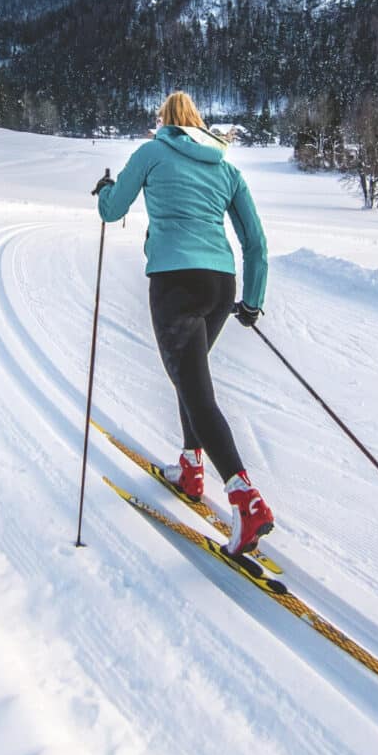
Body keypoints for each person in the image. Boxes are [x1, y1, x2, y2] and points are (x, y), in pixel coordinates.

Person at [93, 91, 273, 555]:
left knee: (195, 389)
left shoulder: (152, 151)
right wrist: (251, 301)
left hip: (175, 284)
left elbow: (113, 210)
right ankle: (191, 466)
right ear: (199, 124)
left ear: (165, 122)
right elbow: (255, 242)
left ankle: (245, 498)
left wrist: (105, 190)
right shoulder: (227, 168)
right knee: (190, 378)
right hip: (221, 284)